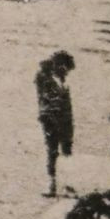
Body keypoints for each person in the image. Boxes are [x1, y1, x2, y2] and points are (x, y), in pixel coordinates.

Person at [35, 51, 76, 197]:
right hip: (51, 120)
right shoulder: (45, 78)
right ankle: (53, 184)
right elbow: (46, 101)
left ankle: (67, 184)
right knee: (53, 151)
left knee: (66, 151)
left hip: (64, 120)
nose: (66, 71)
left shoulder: (60, 79)